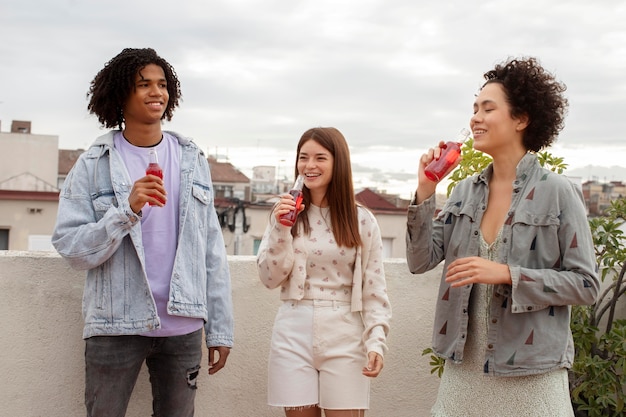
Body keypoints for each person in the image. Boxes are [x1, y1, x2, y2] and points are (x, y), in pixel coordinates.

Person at [406, 57, 599, 417]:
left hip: (531, 377)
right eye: (474, 108)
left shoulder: (557, 192)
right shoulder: (463, 192)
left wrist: (507, 274)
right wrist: (424, 191)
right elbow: (419, 261)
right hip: (462, 375)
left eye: (487, 108)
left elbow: (586, 284)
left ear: (521, 119)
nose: (474, 117)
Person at [52, 48, 234, 417]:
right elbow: (71, 247)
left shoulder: (191, 159)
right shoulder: (93, 164)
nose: (157, 92)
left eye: (162, 84)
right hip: (115, 323)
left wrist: (220, 328)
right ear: (121, 94)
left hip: (182, 323)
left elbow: (211, 248)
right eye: (143, 84)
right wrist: (126, 211)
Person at [257, 127, 392, 417]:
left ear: (338, 162)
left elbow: (374, 288)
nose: (309, 165)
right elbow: (269, 278)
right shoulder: (283, 214)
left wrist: (376, 341)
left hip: (346, 332)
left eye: (320, 157)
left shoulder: (362, 220)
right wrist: (282, 228)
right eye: (303, 157)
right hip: (293, 330)